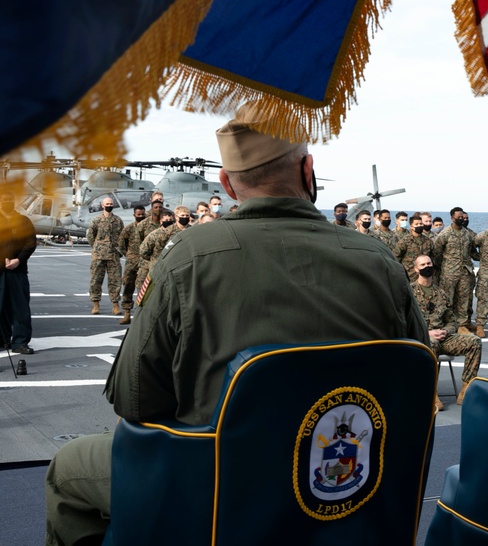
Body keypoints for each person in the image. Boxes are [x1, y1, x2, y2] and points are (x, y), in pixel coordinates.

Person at [44, 102, 428, 546]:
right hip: (351, 489)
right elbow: (416, 376)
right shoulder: (380, 260)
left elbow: (134, 402)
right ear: (308, 171)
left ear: (226, 183)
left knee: (69, 468)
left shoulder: (188, 257)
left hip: (218, 490)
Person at [412, 254, 482, 409]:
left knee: (475, 342)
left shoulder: (441, 293)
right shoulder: (409, 293)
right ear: (416, 269)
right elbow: (405, 322)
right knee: (433, 343)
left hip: (443, 338)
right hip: (421, 339)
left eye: (429, 263)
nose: (427, 266)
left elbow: (452, 321)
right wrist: (427, 333)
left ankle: (466, 390)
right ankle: (430, 393)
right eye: (422, 265)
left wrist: (445, 330)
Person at [0, 190, 36, 355]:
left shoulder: (23, 221)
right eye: (4, 199)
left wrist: (18, 260)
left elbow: (30, 243)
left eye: (10, 198)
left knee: (20, 309)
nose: (8, 201)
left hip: (18, 271)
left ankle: (20, 342)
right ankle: (3, 339)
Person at [433, 207, 477, 334]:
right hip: (449, 272)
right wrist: (445, 267)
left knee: (463, 298)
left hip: (464, 271)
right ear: (452, 218)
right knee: (447, 299)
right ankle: (446, 323)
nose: (461, 219)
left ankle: (462, 324)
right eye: (459, 217)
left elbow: (472, 251)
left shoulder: (467, 234)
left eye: (463, 217)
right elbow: (436, 254)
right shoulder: (445, 234)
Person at [87, 195, 124, 315]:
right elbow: (90, 236)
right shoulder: (96, 220)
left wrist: (120, 250)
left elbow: (122, 237)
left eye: (110, 204)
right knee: (96, 280)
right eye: (107, 204)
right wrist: (97, 247)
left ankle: (115, 305)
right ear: (102, 206)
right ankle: (96, 304)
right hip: (99, 255)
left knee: (115, 281)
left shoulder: (118, 221)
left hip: (113, 255)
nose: (109, 206)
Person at [115, 205, 146, 325]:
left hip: (144, 262)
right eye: (138, 215)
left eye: (142, 214)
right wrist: (129, 255)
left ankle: (140, 315)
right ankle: (127, 313)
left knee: (142, 288)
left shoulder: (150, 229)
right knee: (128, 286)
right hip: (131, 263)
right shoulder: (128, 229)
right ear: (134, 215)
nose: (141, 217)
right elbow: (121, 244)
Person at [394, 212, 433, 282]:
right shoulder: (405, 241)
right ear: (411, 227)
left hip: (425, 276)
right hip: (410, 276)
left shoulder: (428, 241)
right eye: (416, 224)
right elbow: (396, 257)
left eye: (420, 224)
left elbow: (434, 257)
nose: (419, 226)